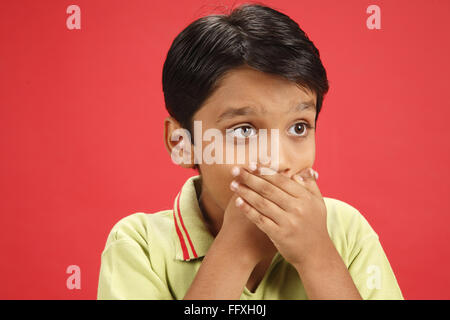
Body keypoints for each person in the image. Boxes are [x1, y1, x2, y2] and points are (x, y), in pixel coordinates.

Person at [97, 3, 403, 300]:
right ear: (182, 144)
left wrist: (318, 258)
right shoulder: (139, 245)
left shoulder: (345, 232)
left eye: (298, 127)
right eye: (244, 130)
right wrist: (236, 250)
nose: (278, 161)